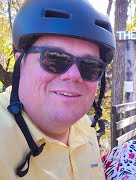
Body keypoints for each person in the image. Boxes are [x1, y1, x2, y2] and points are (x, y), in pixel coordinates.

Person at [0, 0, 115, 179]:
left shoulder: (85, 127)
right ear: (19, 62)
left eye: (90, 66)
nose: (74, 75)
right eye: (54, 58)